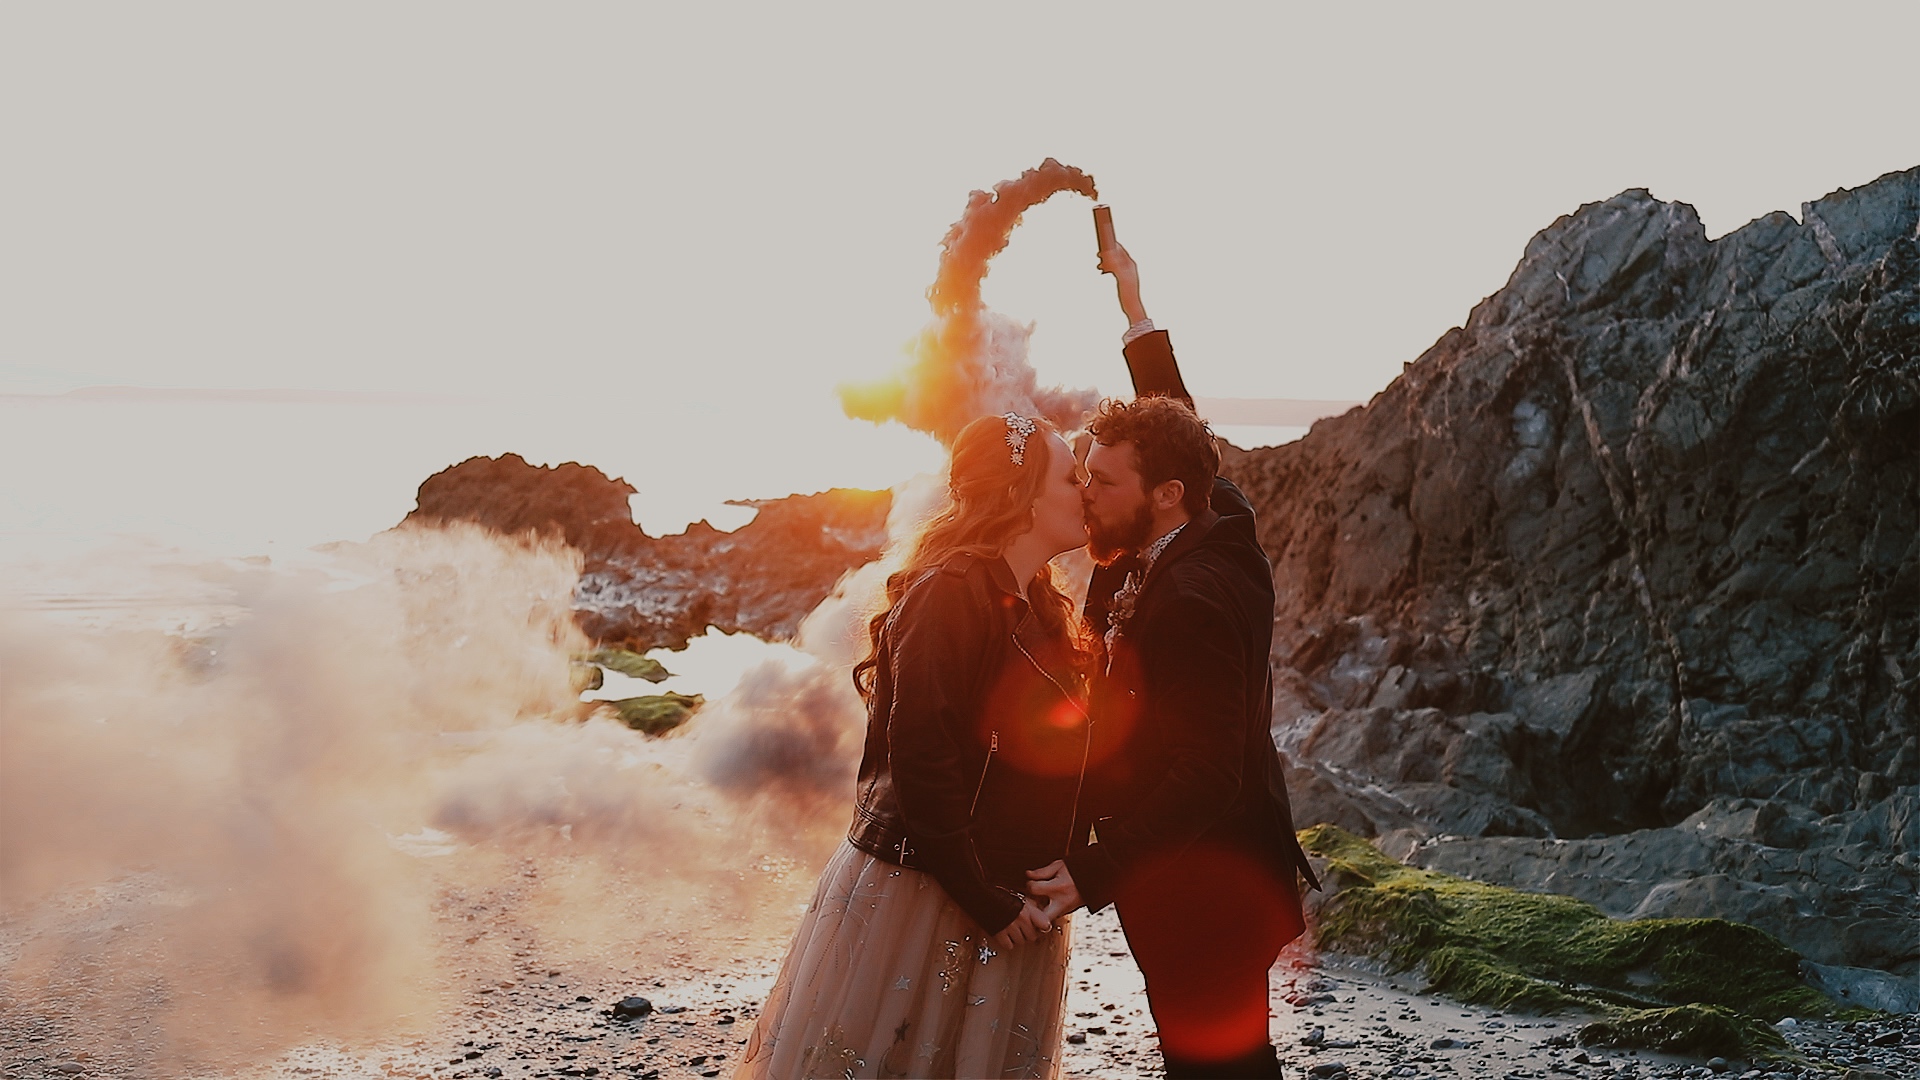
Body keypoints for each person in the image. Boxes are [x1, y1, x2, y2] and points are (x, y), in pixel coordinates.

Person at [1024, 243, 1321, 1079]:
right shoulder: (1209, 516)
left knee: (1216, 1063)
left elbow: (1206, 774)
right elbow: (1182, 428)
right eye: (1082, 478)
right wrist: (1134, 307)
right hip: (1197, 872)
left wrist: (1094, 869)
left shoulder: (1193, 598)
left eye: (1102, 483)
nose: (1084, 495)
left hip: (1208, 886)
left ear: (1165, 497)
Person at [738, 412, 1095, 1080]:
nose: (1086, 493)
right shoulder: (948, 596)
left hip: (1009, 895)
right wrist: (982, 897)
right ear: (1022, 497)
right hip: (931, 888)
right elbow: (921, 756)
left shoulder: (1043, 608)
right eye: (1071, 478)